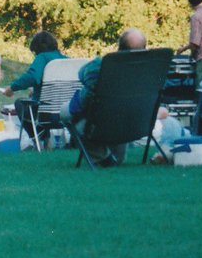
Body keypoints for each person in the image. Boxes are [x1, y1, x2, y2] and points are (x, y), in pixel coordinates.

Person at [62, 28, 148, 167]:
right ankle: (115, 158)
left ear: (119, 47)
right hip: (135, 123)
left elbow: (82, 74)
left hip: (101, 121)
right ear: (144, 48)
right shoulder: (150, 69)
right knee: (118, 114)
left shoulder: (103, 65)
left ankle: (103, 157)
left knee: (65, 114)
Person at [4, 31, 67, 102]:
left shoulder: (42, 57)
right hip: (66, 107)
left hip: (45, 107)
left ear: (37, 48)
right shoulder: (67, 60)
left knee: (19, 102)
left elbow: (33, 77)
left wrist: (12, 88)